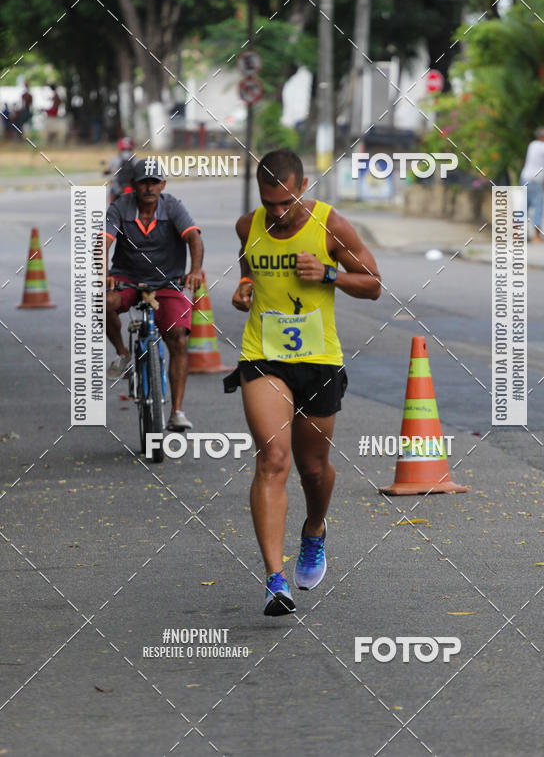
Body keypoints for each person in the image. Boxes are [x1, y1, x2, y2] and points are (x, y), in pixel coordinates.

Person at [226, 148, 381, 616]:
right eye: (268, 202)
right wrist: (244, 288)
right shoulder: (246, 225)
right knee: (273, 458)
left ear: (304, 187)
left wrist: (330, 273)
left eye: (285, 202)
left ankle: (314, 529)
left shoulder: (331, 225)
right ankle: (275, 580)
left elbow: (373, 282)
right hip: (263, 355)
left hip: (317, 359)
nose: (276, 212)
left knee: (313, 469)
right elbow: (249, 266)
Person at [103, 159, 204, 431]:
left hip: (166, 282)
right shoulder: (120, 208)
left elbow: (194, 238)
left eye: (154, 182)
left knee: (179, 341)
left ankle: (177, 411)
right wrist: (104, 274)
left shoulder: (172, 206)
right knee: (103, 302)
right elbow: (104, 242)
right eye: (143, 182)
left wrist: (194, 271)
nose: (149, 187)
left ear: (163, 185)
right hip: (127, 278)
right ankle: (124, 354)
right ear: (133, 185)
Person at [104, 136, 136, 202]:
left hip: (117, 187)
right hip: (133, 187)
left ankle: (110, 209)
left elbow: (107, 170)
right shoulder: (136, 159)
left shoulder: (115, 159)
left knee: (110, 192)